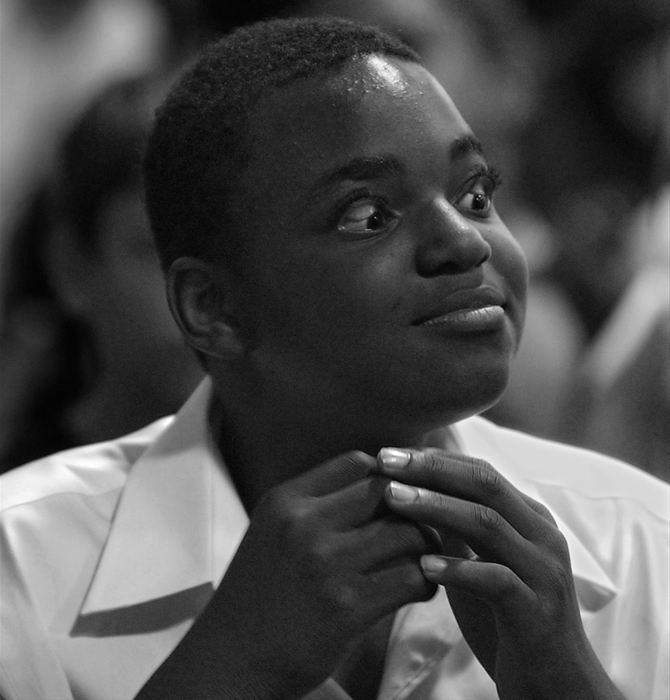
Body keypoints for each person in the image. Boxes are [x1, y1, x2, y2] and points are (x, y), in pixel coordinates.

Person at [0, 17, 667, 700]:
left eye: (475, 194)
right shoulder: (22, 562)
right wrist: (229, 670)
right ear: (213, 307)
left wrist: (572, 684)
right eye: (368, 216)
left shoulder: (645, 539)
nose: (464, 243)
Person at [0, 75, 203, 472]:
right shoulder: (21, 506)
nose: (202, 292)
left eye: (229, 247)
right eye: (156, 251)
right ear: (70, 268)